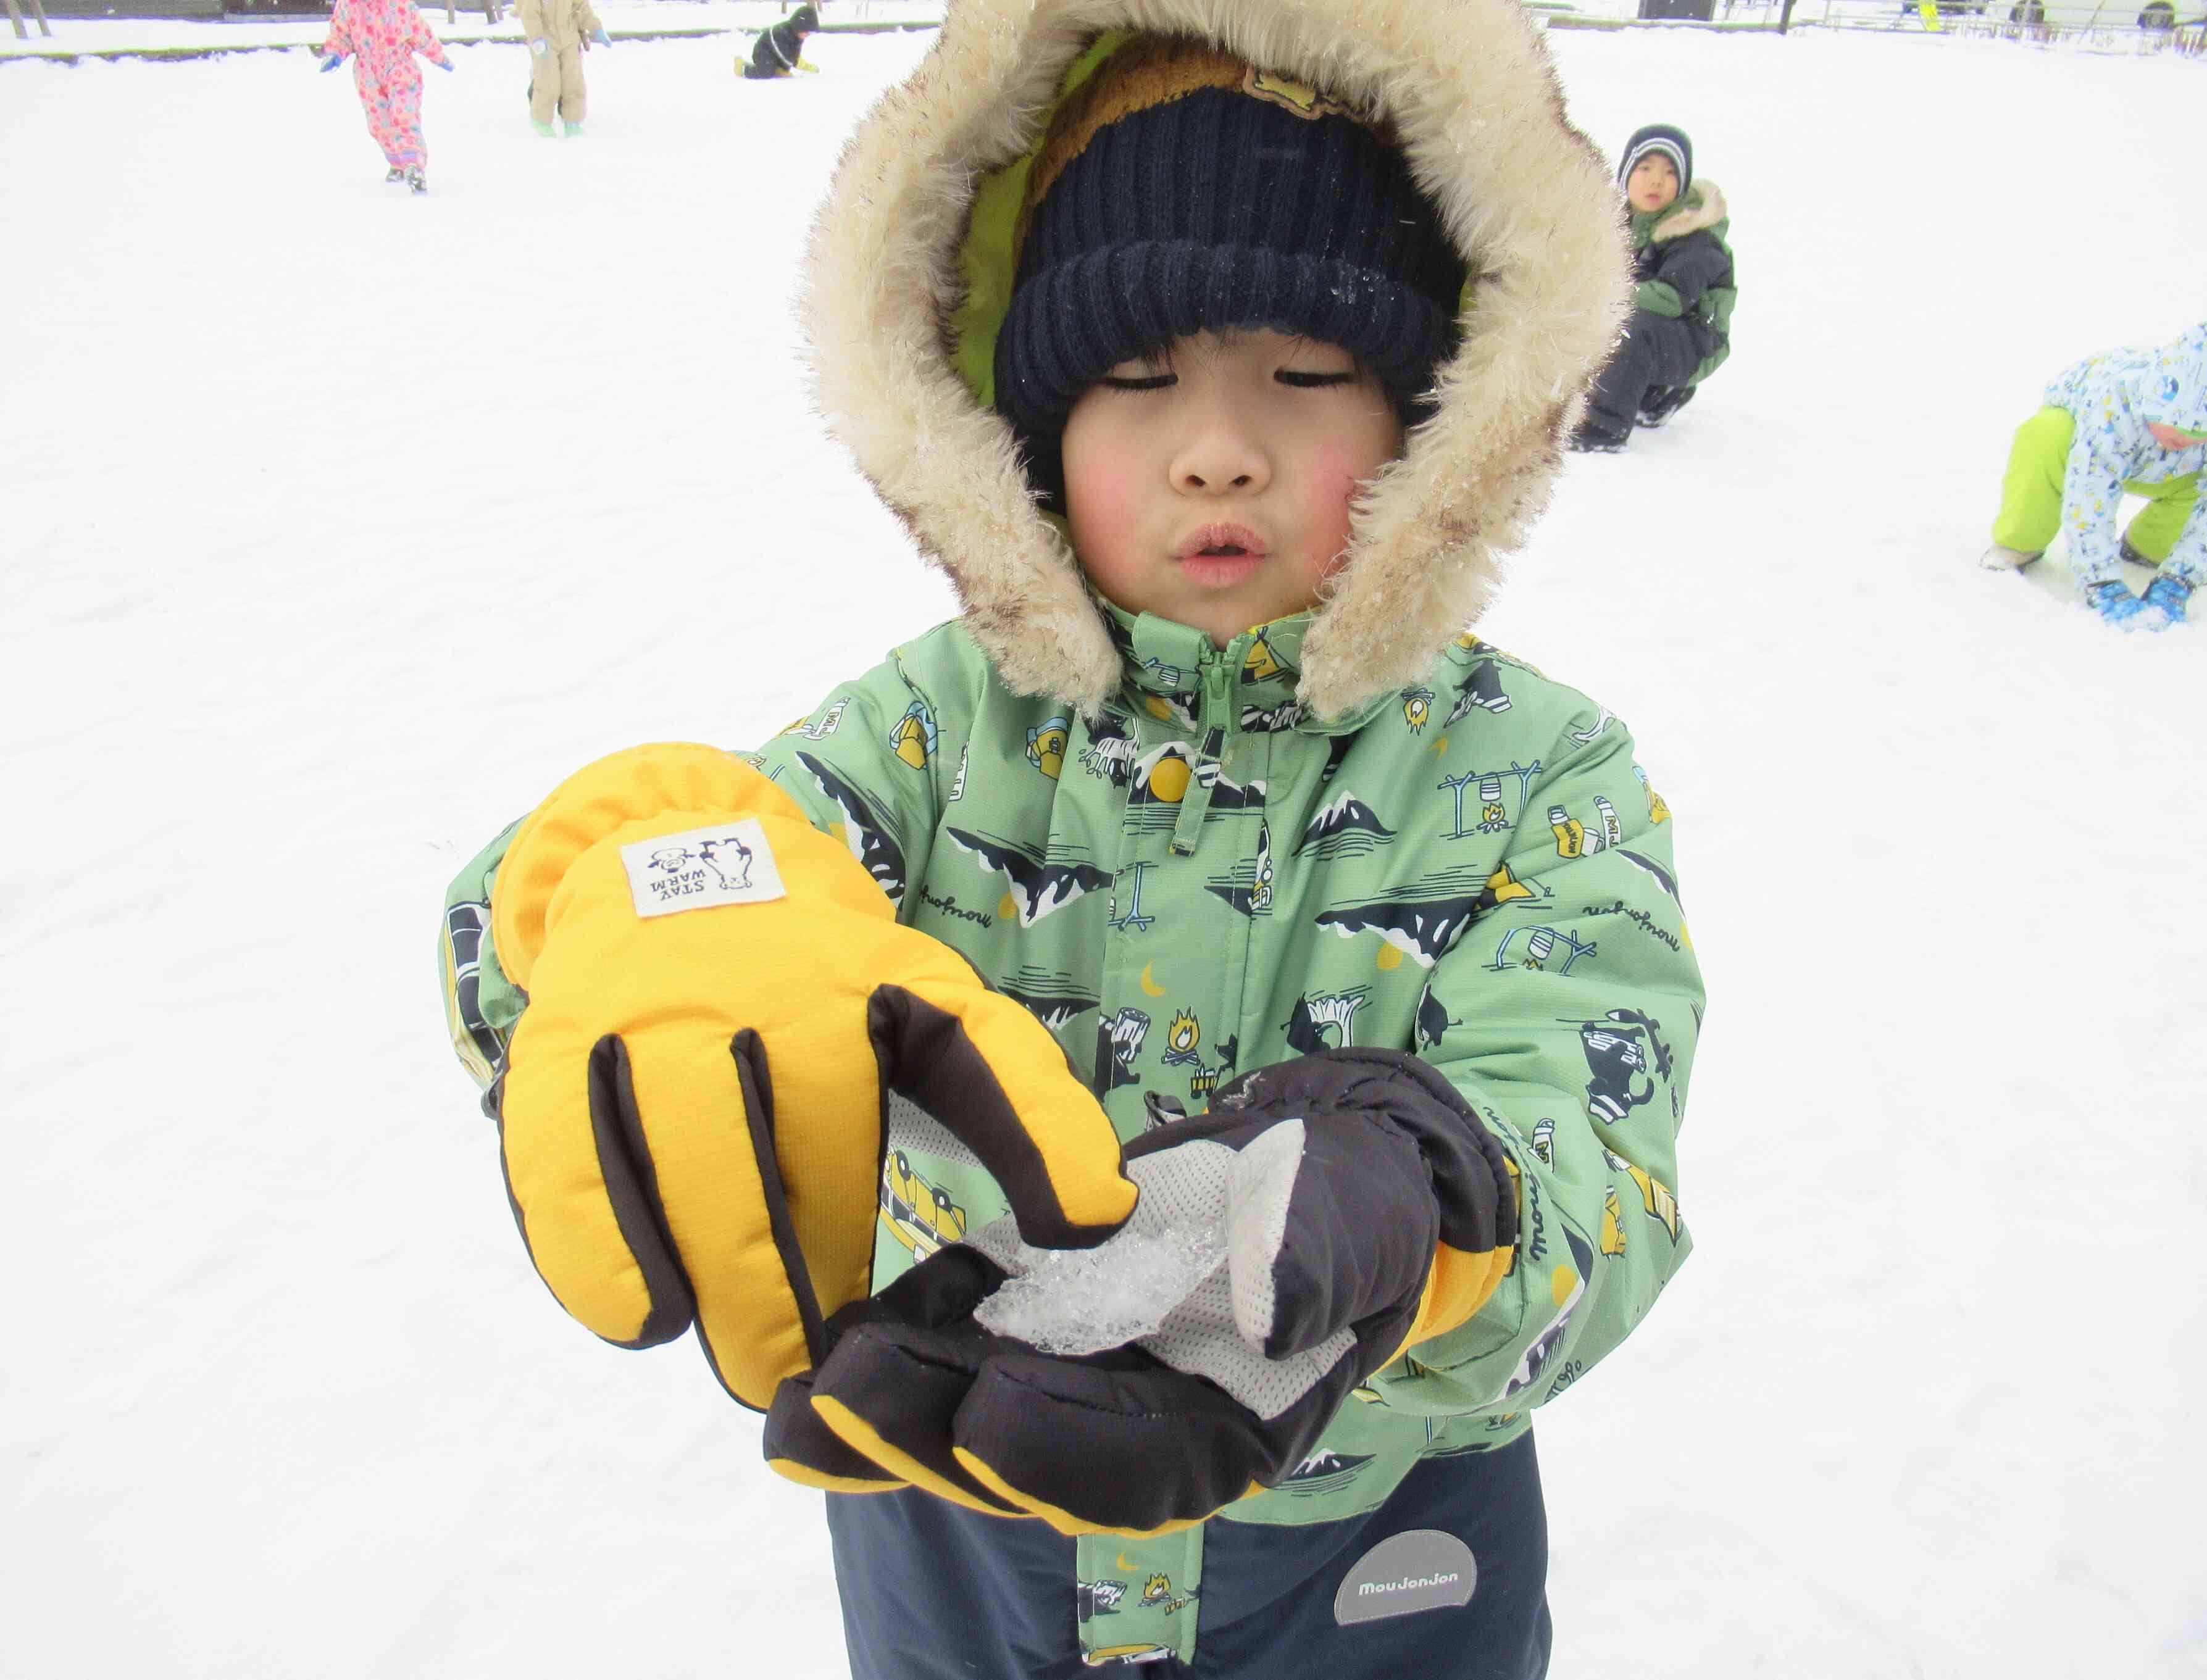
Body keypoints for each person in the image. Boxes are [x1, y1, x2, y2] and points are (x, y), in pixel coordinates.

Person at [438, 4, 1703, 1677]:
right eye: (1135, 378)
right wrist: (643, 898)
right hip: (959, 1504)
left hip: (1368, 1532)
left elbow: (1596, 1134)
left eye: (1305, 374)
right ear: (1026, 441)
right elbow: (712, 862)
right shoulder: (931, 736)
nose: (1217, 448)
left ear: (1434, 419)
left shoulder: (1537, 773)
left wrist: (1432, 1194)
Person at [1980, 320, 2207, 630]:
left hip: (2175, 471)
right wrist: (2101, 581)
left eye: (2202, 431)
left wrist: (2181, 579)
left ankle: (2146, 547)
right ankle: (2022, 540)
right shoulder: (2115, 401)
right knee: (2045, 437)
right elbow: (2090, 492)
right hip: (2085, 446)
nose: (2184, 437)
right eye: (2176, 422)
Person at [1572, 124, 1735, 452]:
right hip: (1658, 336)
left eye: (1670, 172)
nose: (1656, 180)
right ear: (1627, 175)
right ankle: (1653, 395)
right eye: (1645, 168)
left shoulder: (1697, 236)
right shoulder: (1616, 225)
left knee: (1628, 328)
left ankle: (1601, 431)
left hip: (1698, 341)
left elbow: (1671, 299)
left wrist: (1602, 293)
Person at [319, 0, 453, 194]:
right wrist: (335, 53)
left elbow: (420, 31)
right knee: (379, 123)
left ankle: (413, 163)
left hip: (400, 66)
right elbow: (341, 34)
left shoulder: (400, 4)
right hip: (367, 73)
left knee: (404, 114)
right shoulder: (348, 5)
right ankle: (398, 163)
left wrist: (438, 56)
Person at [519, 0, 607, 137]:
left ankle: (572, 121)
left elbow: (581, 6)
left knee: (574, 82)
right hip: (545, 39)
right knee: (549, 83)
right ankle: (540, 121)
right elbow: (529, 13)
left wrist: (596, 27)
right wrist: (536, 38)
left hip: (569, 38)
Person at [735, 3, 819, 80]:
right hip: (764, 52)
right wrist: (801, 65)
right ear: (799, 27)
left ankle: (777, 70)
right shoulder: (781, 33)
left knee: (786, 68)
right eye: (807, 32)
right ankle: (743, 67)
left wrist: (800, 62)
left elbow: (794, 52)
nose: (808, 35)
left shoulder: (798, 36)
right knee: (766, 72)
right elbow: (785, 54)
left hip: (777, 55)